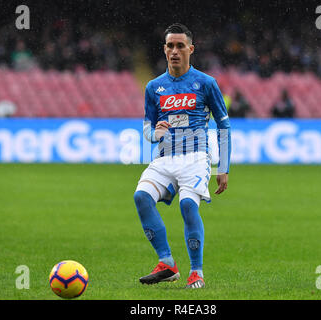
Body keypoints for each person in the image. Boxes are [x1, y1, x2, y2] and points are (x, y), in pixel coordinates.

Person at [134, 23, 231, 289]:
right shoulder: (154, 87)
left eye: (180, 46)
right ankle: (167, 263)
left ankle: (196, 272)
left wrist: (223, 167)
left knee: (187, 206)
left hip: (196, 157)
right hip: (165, 158)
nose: (174, 51)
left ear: (191, 49)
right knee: (141, 197)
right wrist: (155, 133)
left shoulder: (206, 83)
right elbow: (146, 127)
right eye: (170, 46)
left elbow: (224, 125)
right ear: (164, 49)